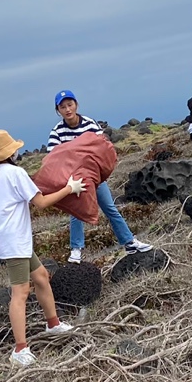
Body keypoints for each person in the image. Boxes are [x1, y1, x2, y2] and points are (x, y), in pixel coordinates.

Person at [0, 129, 81, 369]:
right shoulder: (15, 173)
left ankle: (53, 323)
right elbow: (42, 203)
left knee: (40, 277)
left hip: (8, 237)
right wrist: (70, 188)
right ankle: (20, 349)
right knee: (20, 293)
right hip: (14, 240)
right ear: (11, 153)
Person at [47, 91, 153, 264]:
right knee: (77, 213)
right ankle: (76, 249)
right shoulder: (57, 132)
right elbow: (53, 157)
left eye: (70, 105)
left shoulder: (89, 123)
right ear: (58, 110)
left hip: (95, 176)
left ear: (76, 105)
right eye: (63, 107)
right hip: (75, 180)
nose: (67, 109)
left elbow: (102, 145)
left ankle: (129, 242)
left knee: (110, 208)